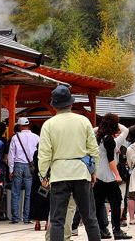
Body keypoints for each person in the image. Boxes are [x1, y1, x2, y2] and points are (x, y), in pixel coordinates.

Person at [37, 84, 101, 241]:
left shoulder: (48, 125)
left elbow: (44, 154)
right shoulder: (84, 121)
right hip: (81, 172)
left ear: (54, 105)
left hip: (59, 174)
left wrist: (43, 175)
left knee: (57, 219)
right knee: (89, 218)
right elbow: (93, 150)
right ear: (71, 103)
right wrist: (94, 171)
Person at [93, 114, 131, 240]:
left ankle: (101, 230)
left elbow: (95, 129)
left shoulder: (97, 136)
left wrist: (105, 122)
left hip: (98, 175)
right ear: (113, 124)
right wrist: (117, 175)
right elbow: (111, 160)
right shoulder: (109, 139)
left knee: (98, 204)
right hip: (108, 177)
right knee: (116, 202)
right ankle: (117, 230)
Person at [9, 117, 40, 224]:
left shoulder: (15, 138)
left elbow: (11, 154)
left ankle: (15, 218)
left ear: (19, 126)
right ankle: (27, 218)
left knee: (16, 192)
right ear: (28, 125)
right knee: (29, 193)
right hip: (30, 166)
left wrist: (11, 169)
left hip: (18, 165)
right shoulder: (36, 137)